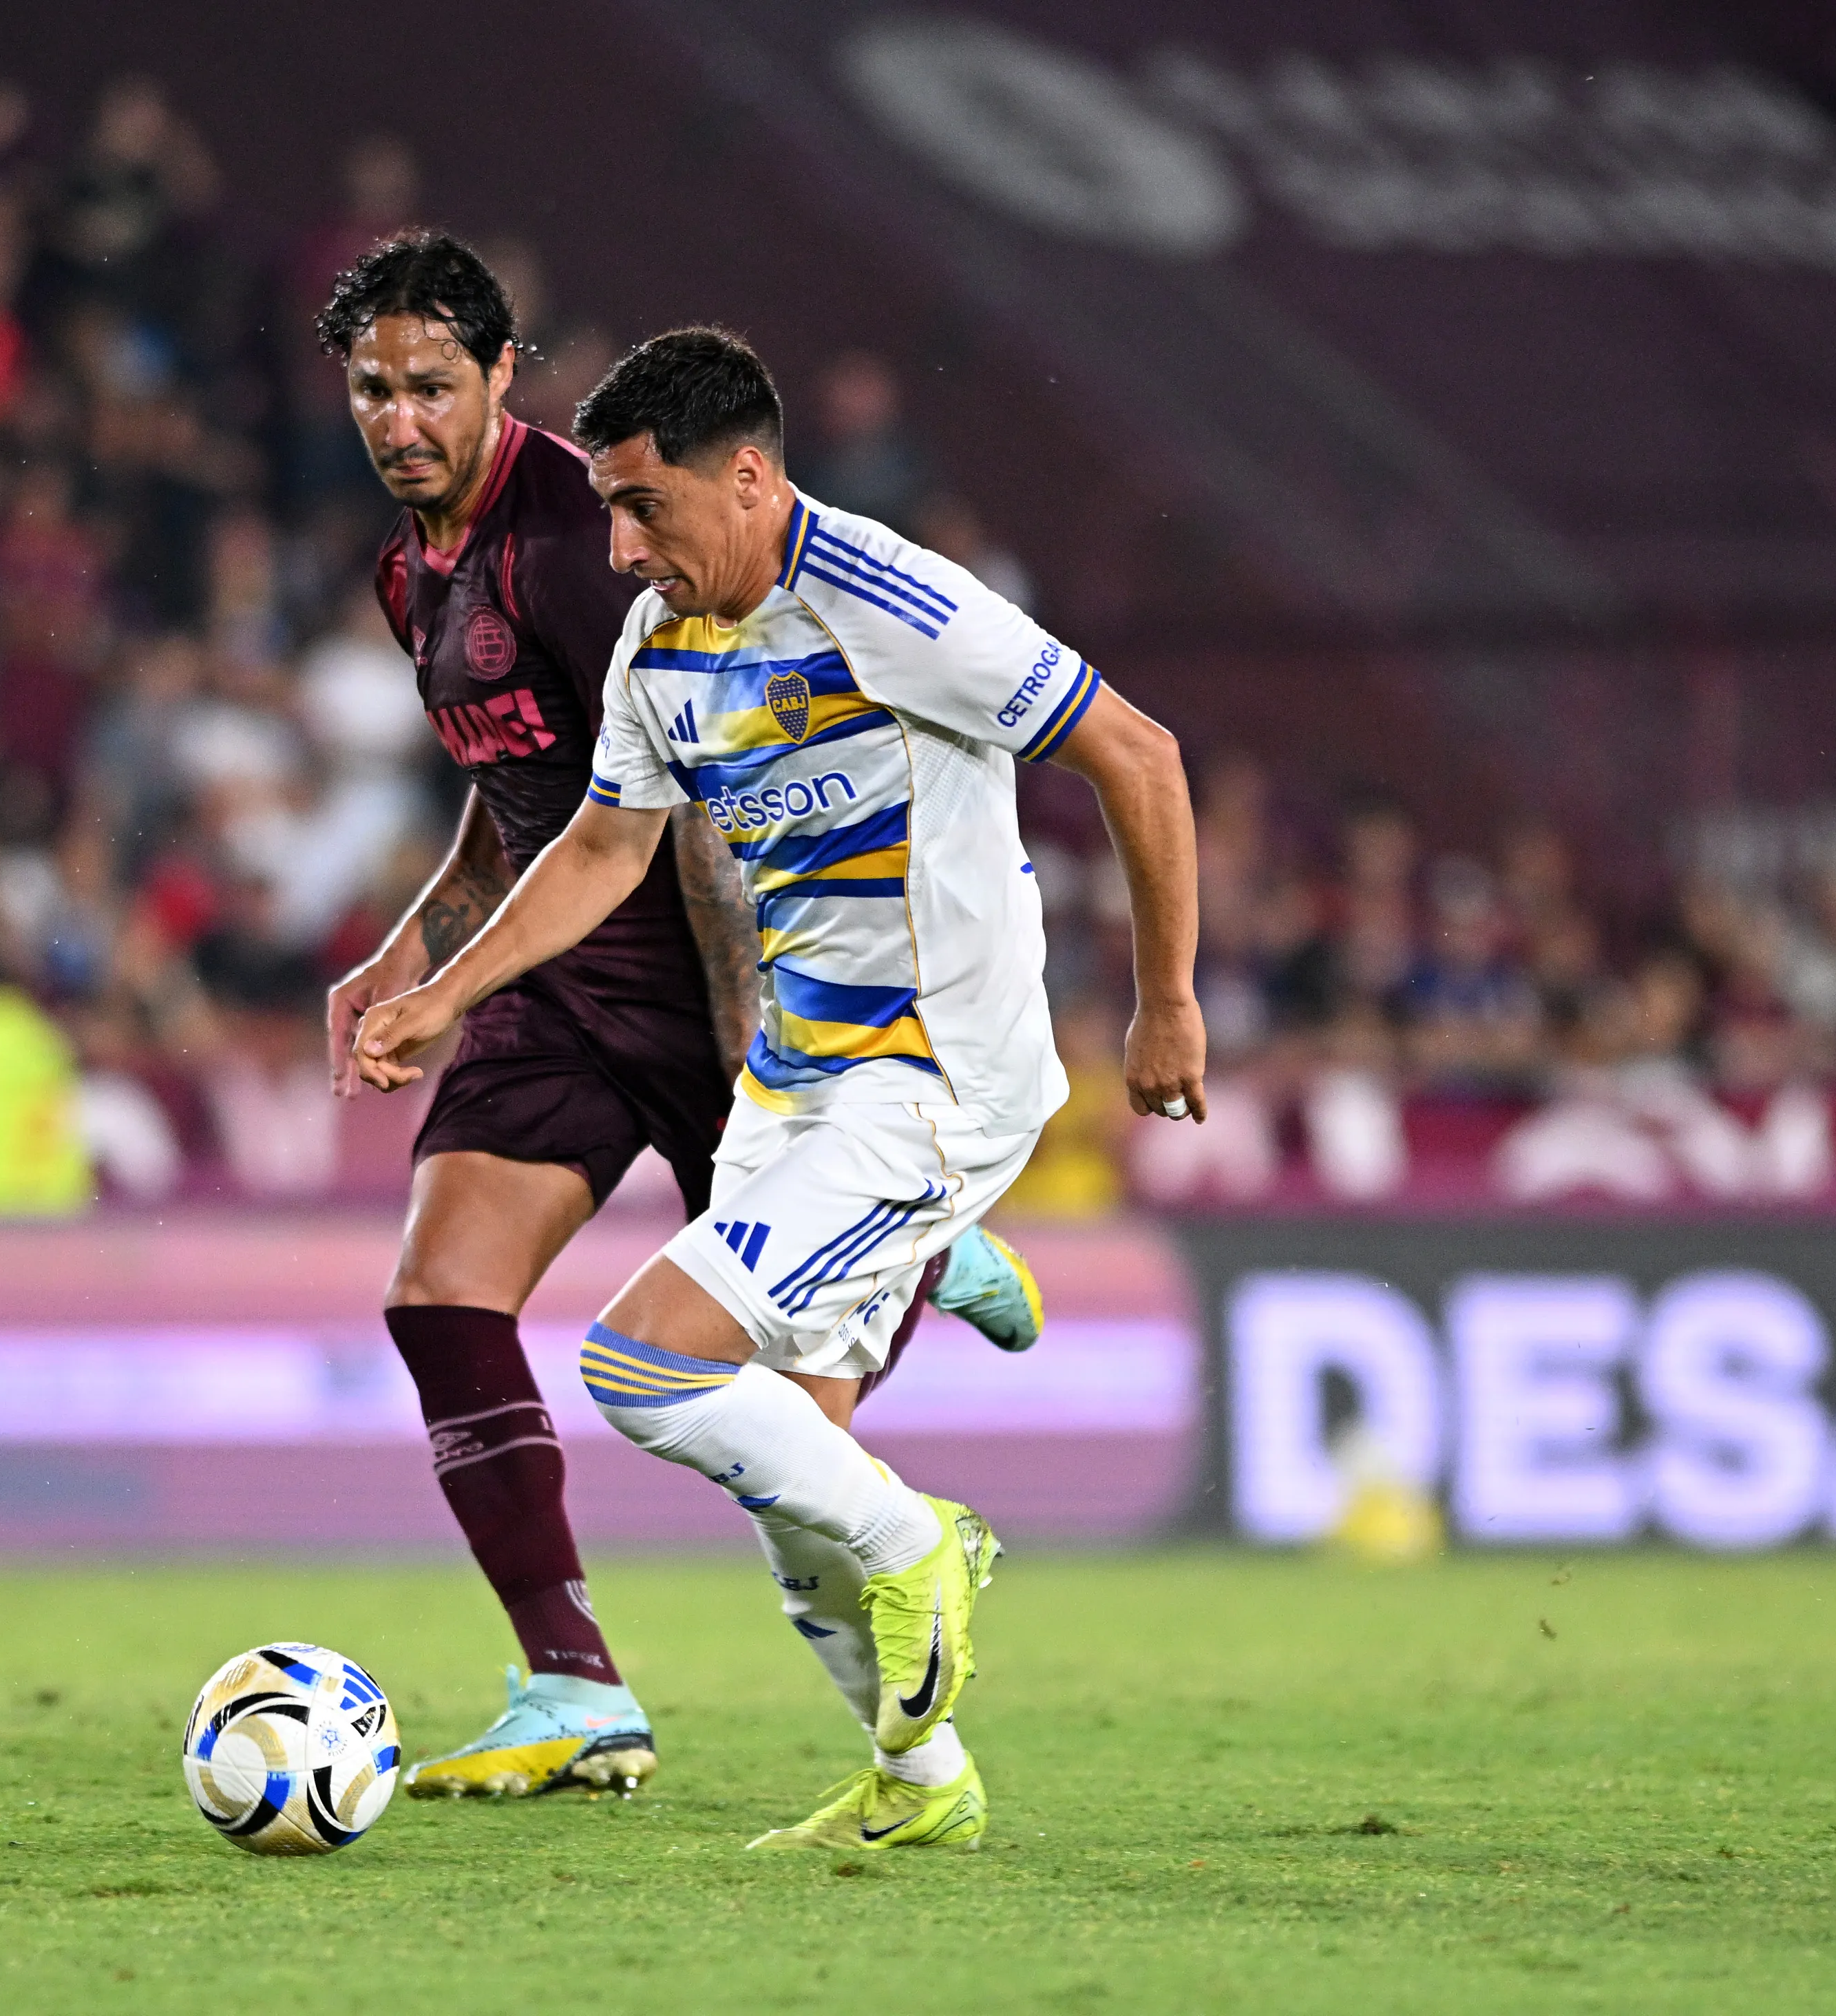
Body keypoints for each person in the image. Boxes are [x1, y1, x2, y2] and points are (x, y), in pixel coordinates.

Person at [352, 328, 1205, 1851]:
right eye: (606, 510)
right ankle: (922, 1781)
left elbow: (1138, 755)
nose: (620, 546)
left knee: (640, 1367)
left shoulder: (895, 602)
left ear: (748, 477)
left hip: (937, 1075)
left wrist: (1166, 1004)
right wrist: (446, 989)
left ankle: (922, 1536)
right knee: (783, 1469)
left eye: (647, 509)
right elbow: (605, 854)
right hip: (796, 1081)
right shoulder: (659, 648)